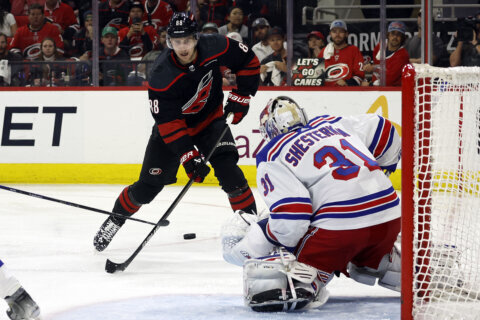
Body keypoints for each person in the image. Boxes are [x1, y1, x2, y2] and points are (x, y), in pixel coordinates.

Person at [93, 12, 260, 252]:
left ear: (196, 38)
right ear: (169, 42)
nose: (182, 48)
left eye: (187, 41)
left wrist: (243, 94)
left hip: (210, 122)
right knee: (147, 188)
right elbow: (168, 123)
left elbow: (248, 61)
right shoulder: (161, 75)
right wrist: (187, 155)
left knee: (231, 175)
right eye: (176, 42)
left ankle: (254, 230)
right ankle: (116, 218)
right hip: (171, 133)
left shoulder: (215, 45)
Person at [221, 96, 402, 311]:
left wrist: (272, 238)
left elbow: (292, 217)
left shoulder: (271, 154)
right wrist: (384, 170)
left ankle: (307, 281)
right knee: (361, 245)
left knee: (277, 282)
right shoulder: (330, 123)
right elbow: (384, 129)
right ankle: (383, 262)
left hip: (340, 230)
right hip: (389, 215)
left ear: (269, 129)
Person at [318, 20, 365, 87]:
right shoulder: (324, 51)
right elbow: (317, 75)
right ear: (330, 34)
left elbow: (360, 76)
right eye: (334, 32)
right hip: (326, 93)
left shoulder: (353, 50)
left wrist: (347, 82)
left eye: (341, 31)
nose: (337, 34)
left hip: (347, 92)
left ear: (346, 34)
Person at [364, 21, 409, 86]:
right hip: (375, 88)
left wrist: (370, 84)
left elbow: (389, 80)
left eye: (398, 34)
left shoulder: (403, 55)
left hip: (394, 91)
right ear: (388, 34)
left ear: (402, 37)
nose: (395, 37)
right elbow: (375, 67)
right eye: (393, 33)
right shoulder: (379, 47)